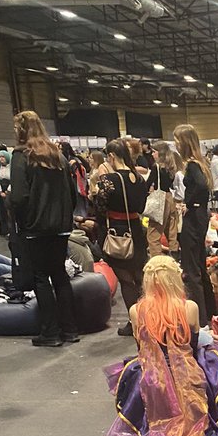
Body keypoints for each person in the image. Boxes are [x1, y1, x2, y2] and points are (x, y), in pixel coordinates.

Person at [104, 256, 218, 436]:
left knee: (131, 373)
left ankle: (153, 429)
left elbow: (142, 349)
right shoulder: (189, 307)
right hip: (187, 374)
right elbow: (193, 346)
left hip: (153, 377)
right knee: (213, 360)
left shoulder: (136, 311)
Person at [8, 111, 79, 348]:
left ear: (21, 130)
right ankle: (70, 329)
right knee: (60, 276)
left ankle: (50, 332)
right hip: (61, 227)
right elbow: (72, 193)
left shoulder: (21, 156)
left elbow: (19, 197)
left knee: (41, 277)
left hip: (35, 228)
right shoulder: (58, 156)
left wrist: (21, 219)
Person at [94, 139, 149, 337]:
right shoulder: (139, 178)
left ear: (111, 156)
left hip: (117, 232)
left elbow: (100, 208)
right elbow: (142, 206)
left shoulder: (109, 180)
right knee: (139, 277)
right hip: (136, 230)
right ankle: (148, 318)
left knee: (126, 280)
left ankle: (135, 321)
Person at [174, 124, 214, 326]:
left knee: (191, 270)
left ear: (184, 143)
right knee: (199, 266)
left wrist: (188, 204)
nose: (175, 145)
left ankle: (200, 319)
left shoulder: (192, 165)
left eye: (177, 140)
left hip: (194, 219)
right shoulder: (201, 163)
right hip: (200, 216)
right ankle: (209, 313)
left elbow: (199, 186)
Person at [145, 141, 180, 261]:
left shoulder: (156, 167)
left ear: (160, 153)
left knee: (153, 235)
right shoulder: (171, 167)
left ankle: (157, 262)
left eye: (154, 152)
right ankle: (175, 259)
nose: (152, 154)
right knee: (171, 232)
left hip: (159, 199)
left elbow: (148, 183)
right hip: (170, 198)